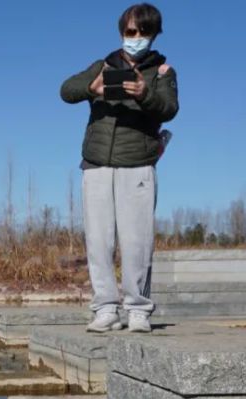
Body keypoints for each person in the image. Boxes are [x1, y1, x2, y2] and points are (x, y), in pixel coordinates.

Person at [60, 3, 178, 333]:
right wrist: (90, 88)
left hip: (137, 166)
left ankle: (138, 310)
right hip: (96, 165)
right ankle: (106, 309)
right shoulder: (102, 65)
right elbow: (65, 90)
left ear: (153, 35)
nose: (136, 37)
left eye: (143, 32)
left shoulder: (162, 72)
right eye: (130, 32)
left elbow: (169, 108)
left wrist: (145, 94)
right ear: (121, 32)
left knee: (137, 241)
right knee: (98, 241)